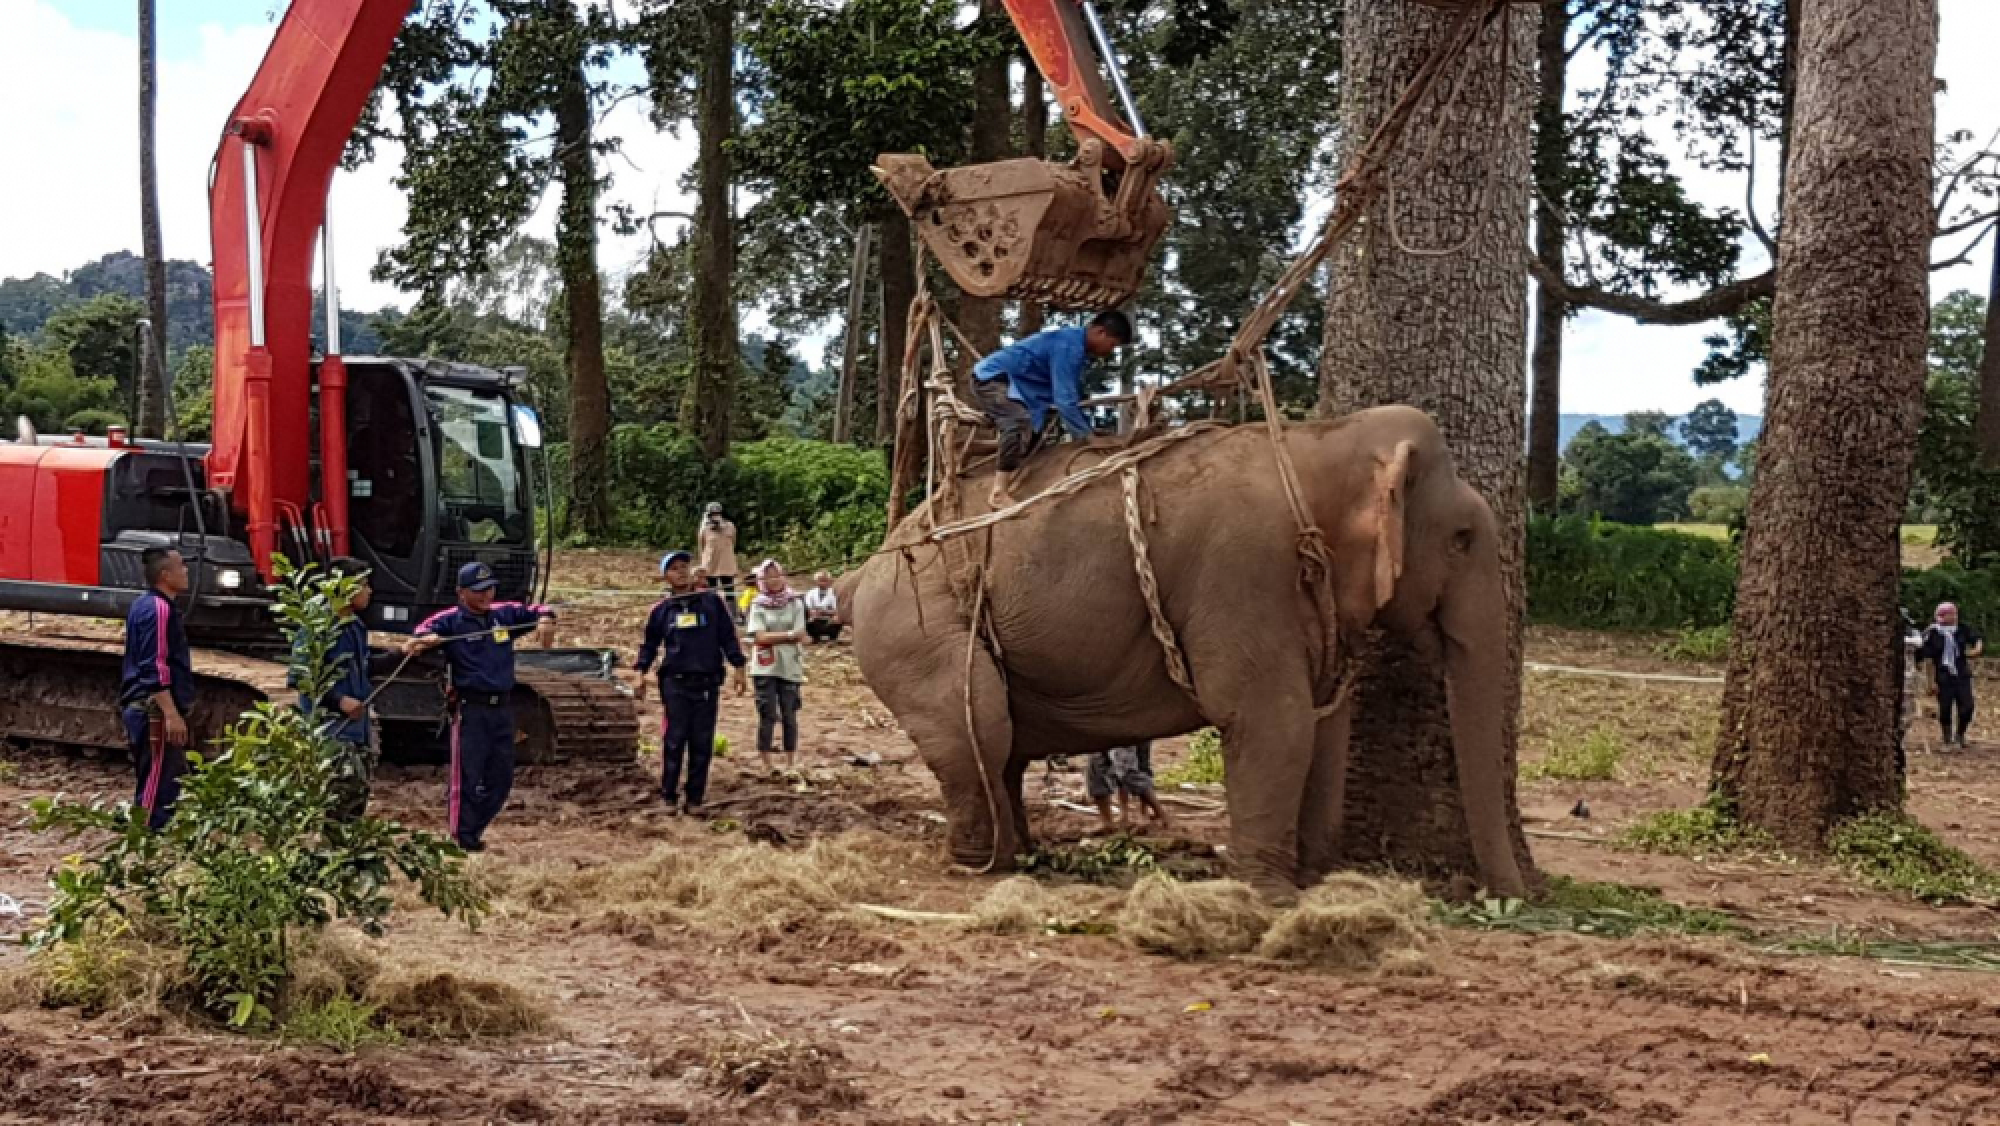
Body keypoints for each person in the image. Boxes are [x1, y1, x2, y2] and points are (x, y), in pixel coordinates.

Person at [407, 563, 555, 851]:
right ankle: (462, 839)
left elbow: (537, 609)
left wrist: (546, 619)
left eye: (490, 589)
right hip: (470, 709)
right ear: (461, 593)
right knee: (468, 778)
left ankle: (475, 829)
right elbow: (420, 635)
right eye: (478, 591)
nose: (486, 595)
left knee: (501, 779)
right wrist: (427, 640)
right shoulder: (450, 621)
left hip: (503, 708)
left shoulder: (503, 615)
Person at [972, 310, 1132, 503]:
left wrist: (1087, 429)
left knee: (1034, 436)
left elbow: (1068, 395)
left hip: (1024, 389)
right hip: (994, 378)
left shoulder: (1076, 348)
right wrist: (1086, 437)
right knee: (1017, 422)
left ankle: (1012, 473)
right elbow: (1065, 400)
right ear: (1100, 332)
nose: (1110, 351)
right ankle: (998, 492)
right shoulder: (1068, 345)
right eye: (1112, 344)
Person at [637, 550, 747, 814]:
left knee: (702, 742)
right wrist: (640, 672)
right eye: (674, 568)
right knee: (674, 740)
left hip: (707, 681)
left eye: (684, 566)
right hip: (675, 682)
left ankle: (695, 798)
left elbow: (727, 636)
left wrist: (739, 666)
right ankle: (668, 796)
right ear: (665, 576)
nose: (681, 572)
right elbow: (650, 644)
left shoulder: (711, 602)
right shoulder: (662, 610)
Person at [290, 556, 378, 818]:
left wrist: (404, 653)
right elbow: (301, 676)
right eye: (364, 584)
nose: (369, 591)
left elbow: (365, 666)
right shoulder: (319, 622)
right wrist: (340, 701)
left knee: (354, 797)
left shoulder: (355, 624)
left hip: (355, 730)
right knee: (336, 798)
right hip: (332, 729)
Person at [119, 547, 194, 830]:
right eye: (181, 567)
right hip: (153, 710)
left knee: (163, 778)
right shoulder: (158, 610)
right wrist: (171, 713)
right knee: (155, 783)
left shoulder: (145, 605)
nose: (186, 572)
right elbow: (155, 665)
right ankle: (145, 839)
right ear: (166, 575)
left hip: (151, 707)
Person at [744, 560, 809, 772]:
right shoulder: (757, 604)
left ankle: (791, 761)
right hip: (764, 666)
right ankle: (767, 762)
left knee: (790, 714)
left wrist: (779, 637)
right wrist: (788, 635)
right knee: (768, 713)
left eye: (776, 575)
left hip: (790, 665)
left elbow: (801, 633)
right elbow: (759, 636)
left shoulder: (795, 602)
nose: (773, 580)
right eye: (767, 576)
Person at [1918, 602, 1984, 748]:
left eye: (1955, 613)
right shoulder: (1932, 633)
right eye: (1951, 614)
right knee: (1945, 707)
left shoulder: (1961, 629)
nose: (1954, 616)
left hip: (1961, 673)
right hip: (1942, 675)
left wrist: (1975, 650)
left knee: (1967, 706)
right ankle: (1947, 737)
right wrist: (1930, 682)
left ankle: (1960, 735)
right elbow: (1928, 659)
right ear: (1942, 615)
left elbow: (1976, 638)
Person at [1085, 742, 1171, 833]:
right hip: (1102, 733)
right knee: (1096, 767)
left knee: (1128, 772)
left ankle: (1162, 816)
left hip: (1125, 732)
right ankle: (1108, 822)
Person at [698, 502, 740, 601]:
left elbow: (734, 542)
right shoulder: (704, 529)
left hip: (726, 564)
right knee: (711, 593)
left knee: (729, 592)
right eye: (712, 514)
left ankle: (731, 614)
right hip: (710, 565)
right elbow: (702, 546)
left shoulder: (730, 526)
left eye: (717, 514)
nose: (715, 517)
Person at [804, 571, 842, 644]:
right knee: (808, 620)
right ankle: (814, 637)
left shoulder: (834, 592)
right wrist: (813, 613)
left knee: (837, 619)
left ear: (829, 581)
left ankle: (832, 637)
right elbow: (808, 606)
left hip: (829, 618)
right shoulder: (811, 592)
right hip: (815, 618)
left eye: (825, 580)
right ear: (816, 581)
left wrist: (824, 612)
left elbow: (837, 609)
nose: (823, 583)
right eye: (821, 580)